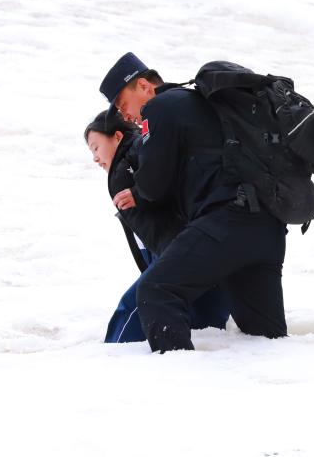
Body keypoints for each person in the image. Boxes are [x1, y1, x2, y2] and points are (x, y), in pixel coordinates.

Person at [99, 52, 287, 352]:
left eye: (123, 104)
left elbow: (154, 182)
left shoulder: (159, 106)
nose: (127, 116)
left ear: (145, 86)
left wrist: (136, 192)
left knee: (155, 290)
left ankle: (179, 382)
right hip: (268, 228)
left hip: (229, 223)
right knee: (265, 337)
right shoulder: (201, 101)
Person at [83, 110, 229, 343]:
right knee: (209, 330)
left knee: (134, 306)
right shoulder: (130, 163)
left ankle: (110, 356)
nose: (95, 158)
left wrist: (138, 193)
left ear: (117, 137)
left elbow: (165, 164)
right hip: (205, 249)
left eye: (96, 147)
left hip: (185, 250)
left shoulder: (135, 151)